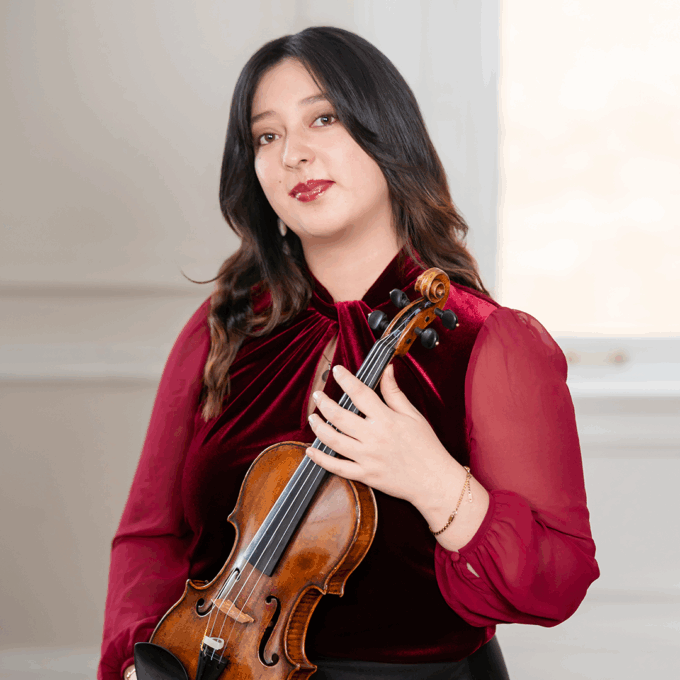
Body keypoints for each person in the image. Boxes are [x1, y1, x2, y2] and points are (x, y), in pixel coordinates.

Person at [97, 26, 599, 680]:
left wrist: (434, 480)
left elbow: (557, 582)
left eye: (323, 119)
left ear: (386, 133)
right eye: (266, 136)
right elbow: (152, 535)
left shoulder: (491, 340)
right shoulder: (223, 326)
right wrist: (138, 660)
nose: (293, 155)